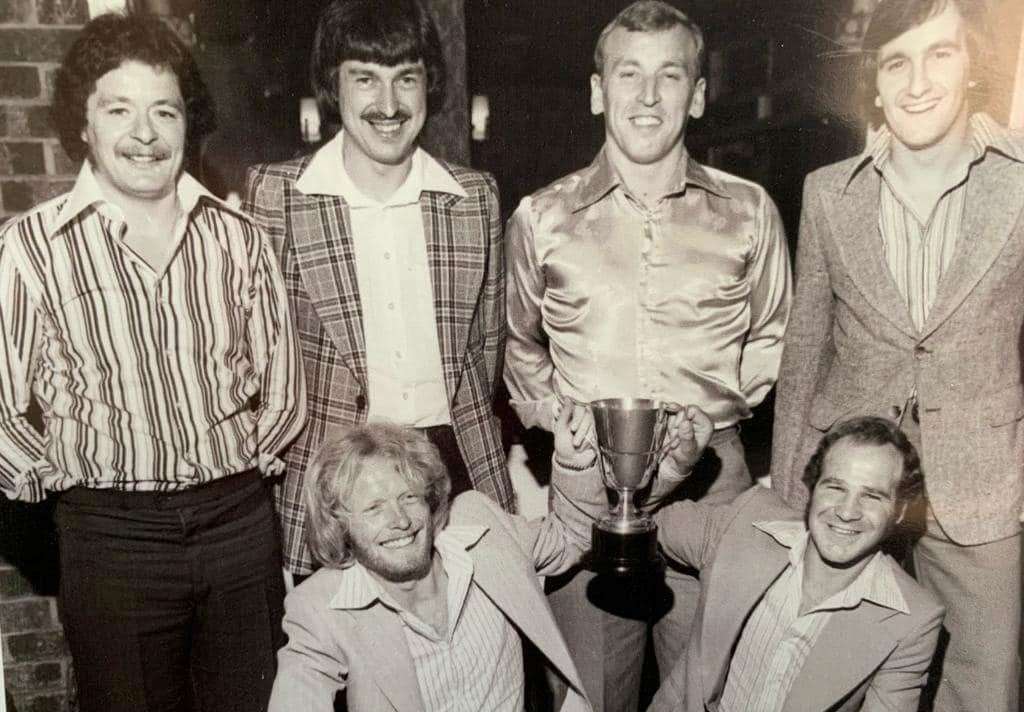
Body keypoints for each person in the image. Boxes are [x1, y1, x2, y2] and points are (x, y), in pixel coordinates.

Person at [0, 13, 305, 712]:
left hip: (236, 528)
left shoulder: (238, 239)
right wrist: (46, 475)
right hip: (112, 541)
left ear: (186, 124)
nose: (145, 134)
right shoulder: (32, 248)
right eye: (120, 110)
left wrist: (251, 456)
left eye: (163, 111)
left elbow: (283, 379)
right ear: (84, 123)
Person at [504, 1, 791, 706]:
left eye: (670, 76)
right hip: (589, 494)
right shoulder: (542, 217)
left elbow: (775, 336)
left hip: (712, 488)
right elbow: (519, 346)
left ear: (696, 96)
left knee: (713, 693)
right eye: (628, 74)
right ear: (599, 90)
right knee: (594, 696)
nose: (647, 95)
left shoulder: (750, 212)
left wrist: (716, 420)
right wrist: (559, 420)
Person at [770, 1, 1024, 709]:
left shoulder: (1020, 185)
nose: (917, 81)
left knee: (980, 690)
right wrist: (793, 491)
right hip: (851, 486)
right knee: (837, 682)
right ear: (874, 84)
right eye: (896, 62)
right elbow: (804, 349)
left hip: (982, 488)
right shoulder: (828, 194)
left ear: (972, 66)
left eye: (939, 54)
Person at [244, 0, 514, 580]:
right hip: (334, 472)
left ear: (428, 86)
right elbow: (257, 355)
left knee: (473, 655)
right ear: (332, 88)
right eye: (365, 79)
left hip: (457, 466)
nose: (388, 105)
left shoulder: (474, 199)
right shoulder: (277, 196)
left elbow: (486, 354)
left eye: (405, 80)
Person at [268, 406, 710, 712]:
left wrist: (581, 465)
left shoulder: (481, 530)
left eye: (408, 497)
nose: (399, 520)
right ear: (339, 524)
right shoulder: (320, 608)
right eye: (373, 508)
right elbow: (299, 691)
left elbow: (576, 537)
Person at [644, 416, 944, 712]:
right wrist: (674, 467)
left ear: (901, 510)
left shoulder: (912, 619)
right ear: (812, 488)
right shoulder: (745, 523)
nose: (847, 511)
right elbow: (639, 515)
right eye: (835, 487)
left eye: (872, 496)